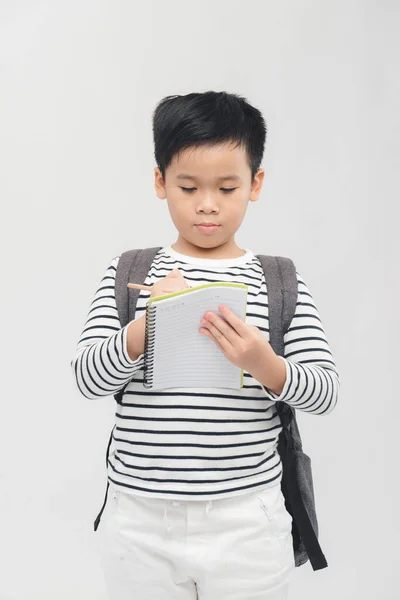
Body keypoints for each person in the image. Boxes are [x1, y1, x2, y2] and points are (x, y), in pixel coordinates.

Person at [70, 91, 340, 600]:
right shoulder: (130, 272)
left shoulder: (279, 280)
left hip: (247, 522)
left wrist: (263, 363)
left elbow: (324, 392)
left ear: (255, 184)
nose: (207, 204)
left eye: (228, 187)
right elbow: (86, 378)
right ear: (160, 181)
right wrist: (144, 328)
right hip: (138, 521)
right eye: (188, 186)